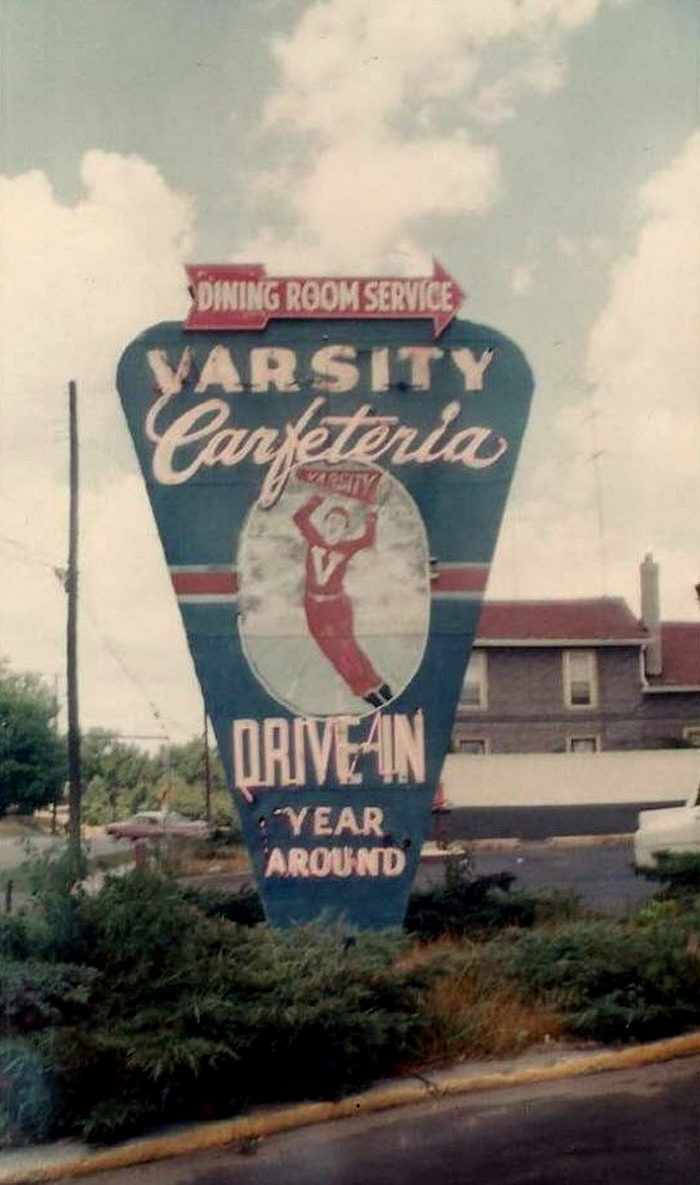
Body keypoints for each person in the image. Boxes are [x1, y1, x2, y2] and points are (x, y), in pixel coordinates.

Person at [292, 493, 393, 708]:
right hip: (313, 607)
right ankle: (366, 687)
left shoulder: (347, 547)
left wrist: (372, 515)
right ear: (325, 522)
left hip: (337, 605)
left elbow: (367, 540)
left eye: (340, 522)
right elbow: (299, 518)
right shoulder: (314, 539)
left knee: (347, 647)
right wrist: (318, 497)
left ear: (345, 528)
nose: (334, 524)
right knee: (333, 651)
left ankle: (375, 686)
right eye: (331, 520)